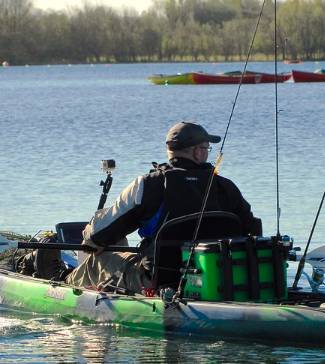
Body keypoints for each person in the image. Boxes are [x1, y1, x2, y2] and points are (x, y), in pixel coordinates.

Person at [65, 121, 261, 293]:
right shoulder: (226, 187)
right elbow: (253, 233)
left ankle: (60, 284)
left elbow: (99, 235)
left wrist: (89, 237)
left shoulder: (147, 185)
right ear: (197, 152)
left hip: (159, 281)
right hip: (220, 278)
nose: (207, 153)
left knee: (97, 260)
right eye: (207, 149)